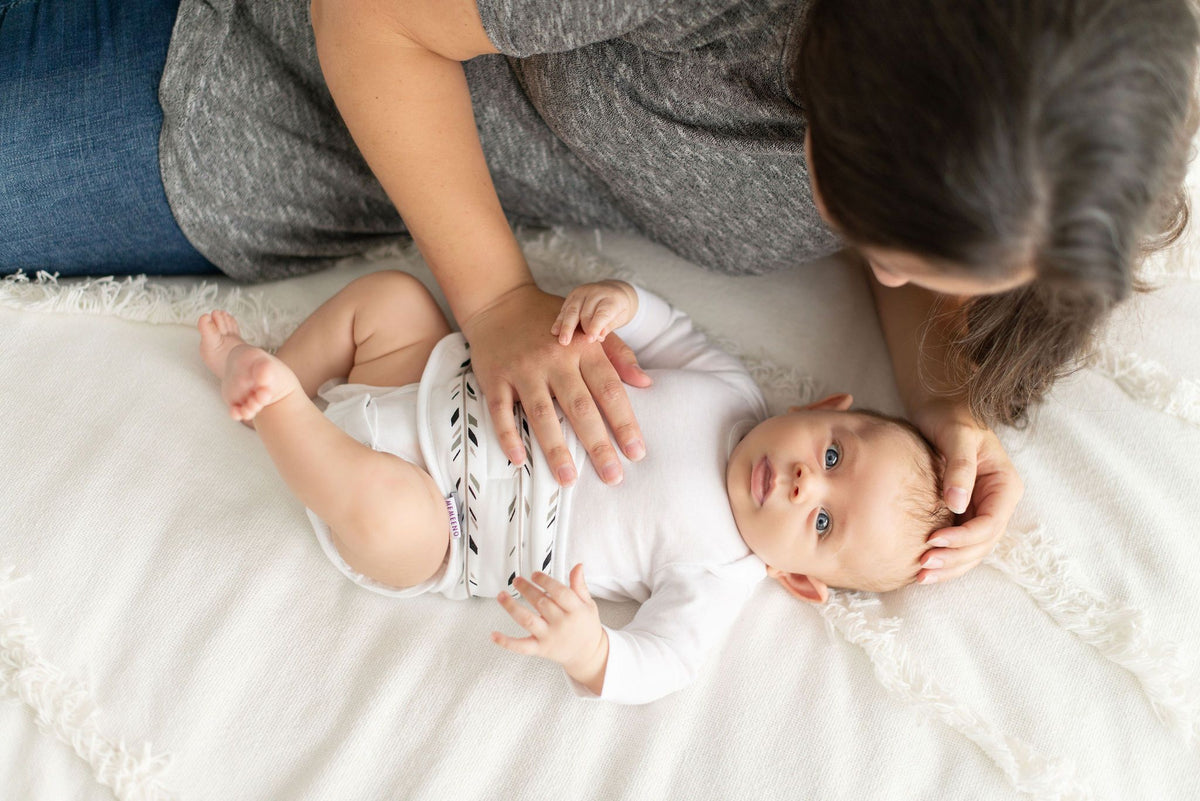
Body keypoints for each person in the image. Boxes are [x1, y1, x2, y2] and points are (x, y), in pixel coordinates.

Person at [5, 0, 1197, 585]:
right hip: (226, 71)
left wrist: (947, 402)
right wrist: (497, 302)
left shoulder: (1042, 118)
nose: (886, 278)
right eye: (883, 239)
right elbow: (368, 14)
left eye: (932, 271)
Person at [195, 271, 954, 704]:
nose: (800, 485)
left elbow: (667, 662)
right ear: (822, 410)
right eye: (829, 457)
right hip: (435, 377)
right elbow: (667, 328)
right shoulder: (731, 387)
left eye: (822, 524)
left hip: (451, 521)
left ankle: (275, 404)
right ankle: (282, 366)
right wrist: (623, 304)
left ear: (796, 579)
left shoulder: (720, 571)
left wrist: (591, 649)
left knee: (387, 518)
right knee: (394, 300)